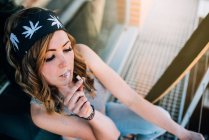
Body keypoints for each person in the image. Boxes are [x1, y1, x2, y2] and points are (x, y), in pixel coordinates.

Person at [3, 7, 204, 140]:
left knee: (162, 120)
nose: (66, 63)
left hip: (106, 112)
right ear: (31, 67)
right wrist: (87, 113)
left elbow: (132, 99)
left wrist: (183, 133)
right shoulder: (41, 114)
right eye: (49, 58)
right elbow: (110, 135)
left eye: (66, 48)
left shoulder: (82, 54)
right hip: (92, 135)